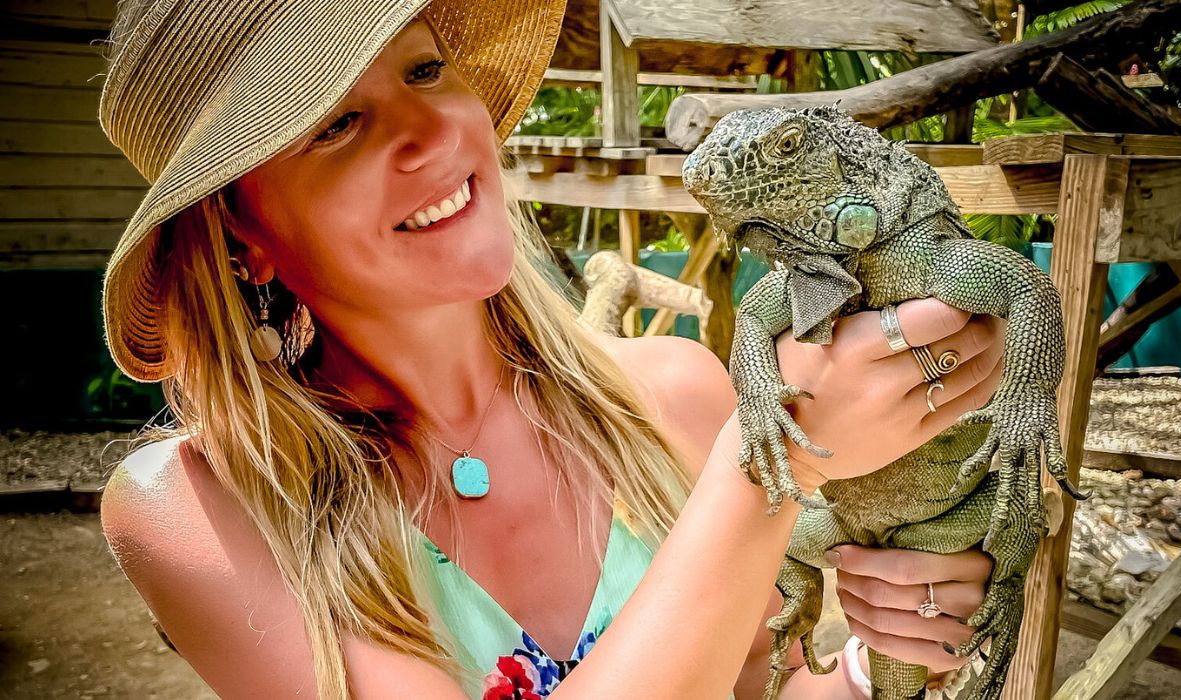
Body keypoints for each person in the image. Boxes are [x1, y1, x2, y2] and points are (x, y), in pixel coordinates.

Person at [96, 1, 1005, 698]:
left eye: (424, 67)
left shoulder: (676, 392)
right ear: (240, 231)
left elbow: (763, 688)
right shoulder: (198, 508)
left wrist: (875, 657)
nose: (434, 133)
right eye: (334, 122)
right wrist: (772, 470)